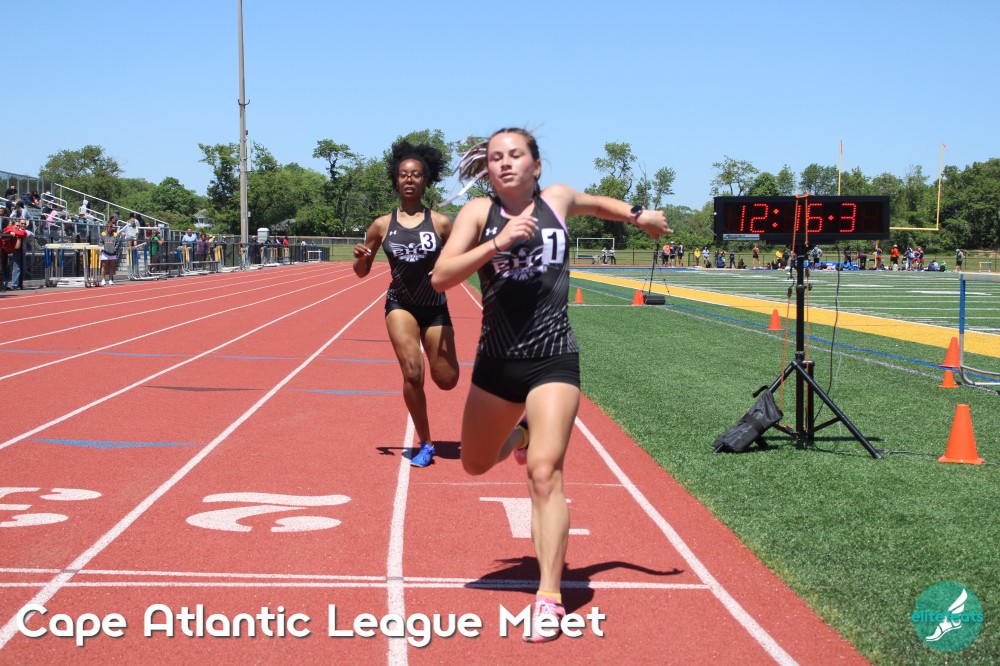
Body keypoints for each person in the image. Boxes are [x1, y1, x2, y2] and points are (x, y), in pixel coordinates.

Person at [430, 128, 670, 643]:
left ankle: (549, 597)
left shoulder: (557, 199)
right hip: (497, 363)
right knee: (474, 463)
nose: (504, 163)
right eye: (496, 157)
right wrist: (498, 242)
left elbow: (598, 204)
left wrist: (638, 215)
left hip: (553, 358)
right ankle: (520, 434)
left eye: (515, 155)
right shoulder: (478, 213)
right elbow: (441, 277)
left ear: (535, 166)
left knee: (545, 473)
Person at [352, 140, 460, 468]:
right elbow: (361, 272)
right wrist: (361, 258)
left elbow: (460, 261)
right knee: (412, 371)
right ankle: (425, 442)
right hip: (400, 304)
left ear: (426, 181)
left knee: (447, 379)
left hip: (435, 306)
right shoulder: (381, 226)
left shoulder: (441, 223)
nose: (409, 179)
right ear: (396, 181)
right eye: (403, 175)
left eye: (416, 175)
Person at [99, 221, 120, 285]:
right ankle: (103, 280)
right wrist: (102, 248)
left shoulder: (115, 234)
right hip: (105, 252)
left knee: (112, 266)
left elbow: (118, 242)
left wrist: (115, 248)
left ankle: (110, 280)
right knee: (104, 266)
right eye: (108, 227)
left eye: (110, 227)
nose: (109, 228)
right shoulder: (103, 234)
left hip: (113, 253)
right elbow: (100, 242)